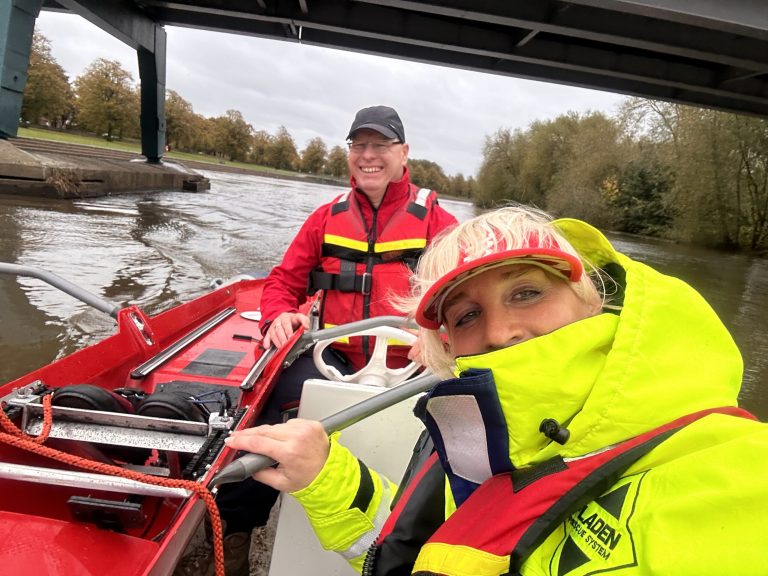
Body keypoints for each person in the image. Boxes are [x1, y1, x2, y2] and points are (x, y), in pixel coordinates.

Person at [225, 204, 768, 575]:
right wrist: (325, 478)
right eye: (466, 315)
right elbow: (429, 550)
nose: (500, 333)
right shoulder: (470, 435)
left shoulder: (736, 473)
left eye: (527, 292)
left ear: (593, 299)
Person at [207, 105, 457, 576]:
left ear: (403, 153)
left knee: (454, 433)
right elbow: (283, 282)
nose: (368, 156)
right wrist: (279, 316)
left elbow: (463, 298)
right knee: (268, 416)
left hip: (418, 364)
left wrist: (438, 338)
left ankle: (427, 540)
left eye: (380, 146)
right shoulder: (325, 219)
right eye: (359, 146)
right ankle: (235, 531)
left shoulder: (438, 225)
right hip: (335, 356)